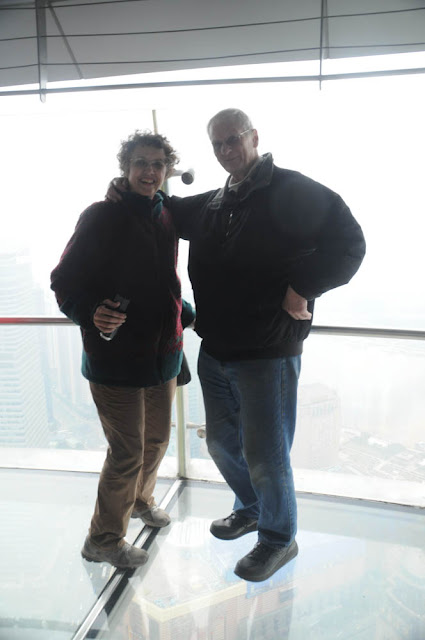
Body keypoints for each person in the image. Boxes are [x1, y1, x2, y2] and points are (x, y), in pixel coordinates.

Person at [108, 108, 366, 582]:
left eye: (234, 139)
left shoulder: (293, 190)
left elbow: (349, 243)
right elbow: (165, 206)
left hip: (268, 351)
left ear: (254, 137)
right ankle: (252, 508)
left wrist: (303, 287)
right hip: (217, 348)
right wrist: (127, 188)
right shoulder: (216, 202)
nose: (226, 150)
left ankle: (278, 538)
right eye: (218, 144)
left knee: (267, 455)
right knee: (224, 444)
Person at [51, 131, 195, 570]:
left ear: (167, 169)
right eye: (140, 163)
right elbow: (63, 281)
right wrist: (89, 312)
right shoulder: (101, 216)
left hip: (164, 354)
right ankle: (103, 539)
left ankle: (140, 501)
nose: (149, 171)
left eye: (157, 164)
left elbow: (161, 280)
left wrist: (183, 312)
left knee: (157, 440)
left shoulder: (166, 213)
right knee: (127, 451)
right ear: (125, 167)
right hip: (115, 360)